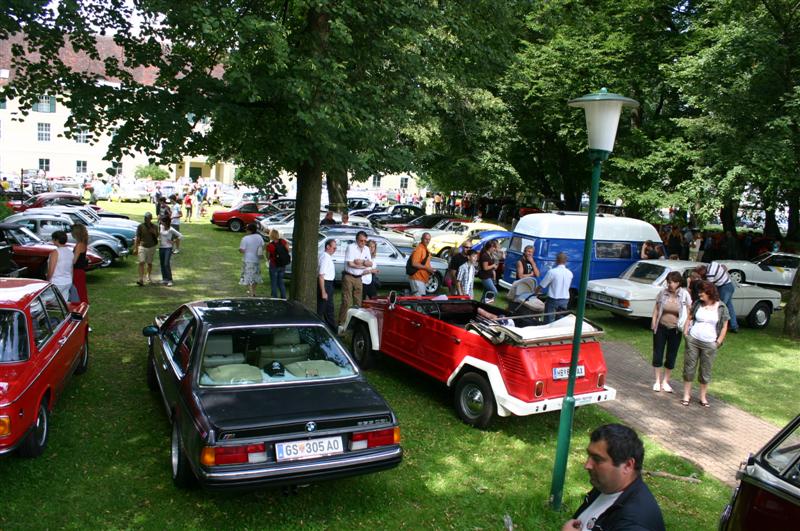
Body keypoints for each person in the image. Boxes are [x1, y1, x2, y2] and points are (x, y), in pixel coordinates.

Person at [562, 424, 665, 531]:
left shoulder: (633, 523)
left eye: (597, 459)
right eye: (589, 455)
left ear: (628, 465)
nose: (587, 465)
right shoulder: (607, 486)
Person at [681, 281, 729, 407]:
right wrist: (686, 333)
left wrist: (718, 342)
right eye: (699, 291)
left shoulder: (721, 307)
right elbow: (689, 317)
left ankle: (703, 397)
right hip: (693, 340)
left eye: (702, 292)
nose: (699, 294)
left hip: (709, 344)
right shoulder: (697, 304)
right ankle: (686, 395)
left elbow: (724, 326)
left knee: (705, 370)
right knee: (689, 367)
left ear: (710, 293)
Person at [650, 271, 691, 393]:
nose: (669, 284)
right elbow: (656, 308)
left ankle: (665, 381)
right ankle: (657, 381)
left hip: (675, 330)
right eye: (668, 282)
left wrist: (686, 327)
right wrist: (653, 321)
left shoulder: (684, 295)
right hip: (661, 327)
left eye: (671, 282)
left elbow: (689, 311)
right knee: (658, 353)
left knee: (671, 355)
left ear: (678, 283)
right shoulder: (663, 293)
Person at [339, 230, 373, 326]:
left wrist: (360, 262)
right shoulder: (351, 248)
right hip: (349, 276)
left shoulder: (366, 249)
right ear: (356, 240)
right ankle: (341, 323)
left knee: (358, 302)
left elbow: (370, 263)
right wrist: (364, 264)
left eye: (365, 241)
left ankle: (355, 323)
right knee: (346, 301)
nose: (363, 243)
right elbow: (350, 264)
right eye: (361, 240)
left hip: (359, 277)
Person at [696, 262, 738, 333]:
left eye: (700, 273)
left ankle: (718, 327)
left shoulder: (710, 274)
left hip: (724, 288)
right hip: (729, 285)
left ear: (702, 270)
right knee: (729, 307)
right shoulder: (712, 263)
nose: (701, 275)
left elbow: (710, 287)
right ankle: (734, 326)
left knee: (719, 307)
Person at [538, 252, 573, 324]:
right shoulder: (570, 273)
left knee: (549, 319)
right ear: (566, 261)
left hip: (553, 299)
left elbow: (542, 285)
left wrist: (535, 291)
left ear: (556, 260)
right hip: (565, 299)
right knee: (560, 320)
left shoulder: (552, 272)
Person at [133, 212, 159, 286]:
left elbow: (157, 236)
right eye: (145, 218)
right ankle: (141, 279)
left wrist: (153, 232)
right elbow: (137, 238)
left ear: (150, 219)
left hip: (152, 247)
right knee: (141, 262)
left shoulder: (155, 227)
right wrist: (136, 248)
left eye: (147, 218)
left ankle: (148, 275)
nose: (146, 219)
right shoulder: (140, 226)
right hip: (142, 246)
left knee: (149, 263)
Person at [239, 223, 264, 296]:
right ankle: (254, 291)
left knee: (248, 277)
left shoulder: (245, 238)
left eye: (247, 229)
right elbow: (262, 246)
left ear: (250, 230)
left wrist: (240, 250)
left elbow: (242, 250)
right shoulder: (259, 237)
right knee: (255, 276)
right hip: (256, 259)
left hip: (248, 259)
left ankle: (251, 293)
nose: (246, 230)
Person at [47, 230, 74, 301]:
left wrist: (47, 280)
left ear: (56, 240)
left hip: (57, 282)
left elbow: (51, 270)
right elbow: (71, 269)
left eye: (53, 239)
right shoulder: (70, 252)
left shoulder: (55, 253)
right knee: (63, 301)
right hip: (68, 281)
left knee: (45, 298)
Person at [317, 238, 337, 330]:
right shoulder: (325, 257)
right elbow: (321, 275)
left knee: (329, 309)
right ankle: (321, 328)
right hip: (326, 284)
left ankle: (331, 328)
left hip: (328, 284)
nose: (334, 250)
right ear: (328, 246)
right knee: (323, 309)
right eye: (334, 248)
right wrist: (323, 291)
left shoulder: (326, 256)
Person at [408, 232, 435, 296]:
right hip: (417, 278)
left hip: (421, 279)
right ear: (421, 239)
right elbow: (414, 264)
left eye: (429, 239)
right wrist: (427, 268)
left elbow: (425, 263)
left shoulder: (424, 249)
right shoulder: (419, 249)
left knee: (420, 300)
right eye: (426, 239)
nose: (427, 241)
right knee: (419, 300)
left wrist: (430, 270)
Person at [266, 229, 289, 299]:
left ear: (271, 235)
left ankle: (274, 297)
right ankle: (283, 297)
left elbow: (268, 256)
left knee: (274, 282)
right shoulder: (283, 241)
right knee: (281, 281)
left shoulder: (270, 245)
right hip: (282, 264)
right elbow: (288, 250)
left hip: (274, 265)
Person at [158, 218, 182, 286]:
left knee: (166, 263)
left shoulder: (171, 229)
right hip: (161, 248)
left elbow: (180, 235)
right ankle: (164, 279)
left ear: (166, 222)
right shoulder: (161, 226)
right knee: (162, 264)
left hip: (168, 248)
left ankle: (170, 279)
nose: (161, 222)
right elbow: (160, 234)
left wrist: (173, 241)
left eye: (162, 221)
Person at [70, 224, 90, 303]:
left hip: (77, 272)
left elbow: (74, 261)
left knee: (78, 293)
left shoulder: (79, 245)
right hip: (80, 271)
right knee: (81, 292)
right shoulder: (83, 243)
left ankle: (81, 311)